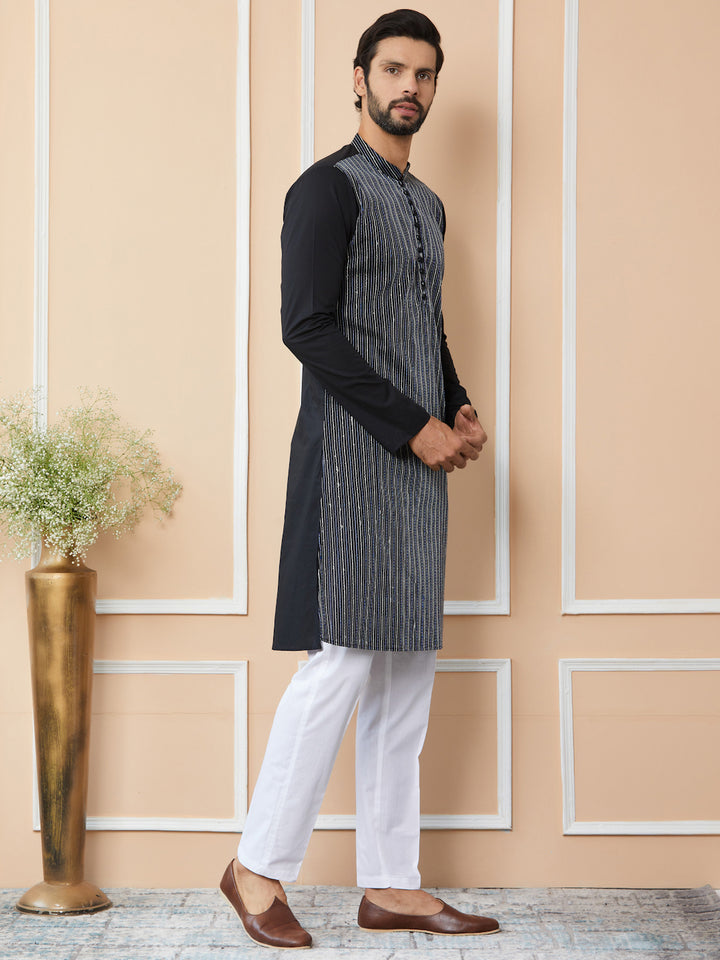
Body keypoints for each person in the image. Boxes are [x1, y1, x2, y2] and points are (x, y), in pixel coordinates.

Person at [220, 9, 499, 949]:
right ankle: (256, 869)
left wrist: (454, 403)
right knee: (338, 665)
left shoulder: (428, 205)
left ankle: (391, 885)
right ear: (358, 79)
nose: (408, 87)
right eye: (392, 70)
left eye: (423, 74)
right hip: (351, 466)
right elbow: (307, 327)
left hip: (418, 464)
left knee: (406, 670)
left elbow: (424, 324)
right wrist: (412, 427)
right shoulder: (325, 189)